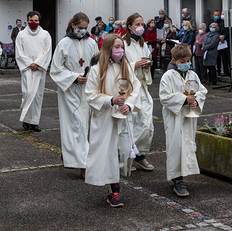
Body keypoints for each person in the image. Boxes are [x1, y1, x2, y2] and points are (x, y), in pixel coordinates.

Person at [85, 33, 141, 207]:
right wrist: (110, 100)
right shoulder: (97, 70)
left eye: (122, 47)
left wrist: (129, 105)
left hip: (123, 116)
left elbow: (135, 89)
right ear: (108, 49)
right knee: (108, 153)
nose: (120, 50)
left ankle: (115, 184)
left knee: (123, 150)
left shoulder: (127, 68)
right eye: (116, 47)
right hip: (105, 118)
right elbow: (90, 94)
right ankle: (114, 191)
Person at [50, 12, 98, 179]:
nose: (83, 31)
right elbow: (55, 69)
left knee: (84, 126)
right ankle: (83, 165)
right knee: (76, 125)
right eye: (80, 28)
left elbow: (97, 65)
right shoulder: (64, 43)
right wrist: (74, 77)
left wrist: (90, 76)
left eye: (85, 28)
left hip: (87, 89)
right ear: (73, 26)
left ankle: (71, 153)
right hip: (69, 90)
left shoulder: (92, 43)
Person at [159, 44, 207, 197]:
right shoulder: (168, 76)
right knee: (175, 145)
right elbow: (164, 97)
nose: (186, 63)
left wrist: (196, 101)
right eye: (183, 61)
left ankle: (183, 174)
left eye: (188, 60)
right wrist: (185, 100)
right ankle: (177, 179)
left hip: (188, 116)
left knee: (186, 144)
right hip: (175, 117)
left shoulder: (192, 75)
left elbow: (202, 90)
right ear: (174, 60)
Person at [123, 13, 154, 171]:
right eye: (137, 24)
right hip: (129, 88)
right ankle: (128, 156)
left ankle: (140, 155)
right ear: (129, 27)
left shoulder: (143, 43)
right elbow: (117, 67)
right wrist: (134, 65)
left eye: (142, 24)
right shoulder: (122, 44)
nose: (141, 27)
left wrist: (147, 65)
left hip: (142, 87)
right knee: (131, 123)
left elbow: (146, 60)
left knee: (146, 122)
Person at [15, 11, 52, 132]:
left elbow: (47, 51)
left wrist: (38, 63)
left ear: (39, 21)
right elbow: (19, 52)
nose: (33, 23)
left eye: (36, 20)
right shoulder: (21, 35)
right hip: (27, 68)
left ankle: (35, 121)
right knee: (27, 93)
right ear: (27, 20)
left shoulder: (45, 34)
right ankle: (26, 119)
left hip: (39, 69)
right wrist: (29, 63)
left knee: (37, 95)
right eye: (31, 20)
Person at [208, 10, 224, 76]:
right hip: (212, 41)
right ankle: (211, 71)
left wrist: (221, 36)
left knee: (219, 57)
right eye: (215, 15)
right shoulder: (210, 22)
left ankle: (219, 70)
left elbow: (223, 30)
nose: (217, 16)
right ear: (213, 15)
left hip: (220, 42)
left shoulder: (222, 22)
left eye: (218, 15)